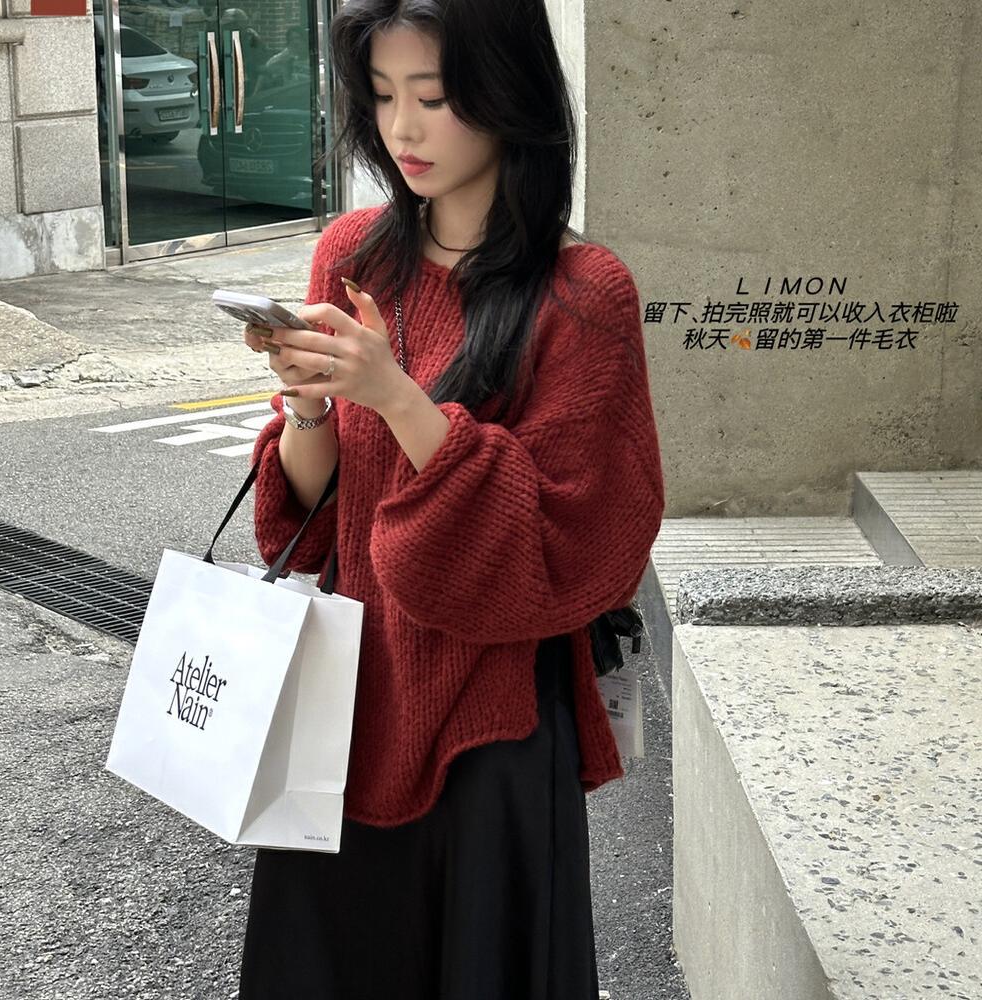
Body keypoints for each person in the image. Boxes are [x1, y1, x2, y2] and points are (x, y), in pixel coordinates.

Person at [237, 0, 666, 996]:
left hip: (492, 723)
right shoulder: (353, 255)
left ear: (508, 94)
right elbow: (317, 525)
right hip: (343, 707)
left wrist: (395, 394)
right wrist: (310, 404)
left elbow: (574, 542)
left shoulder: (583, 292)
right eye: (383, 95)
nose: (403, 129)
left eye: (432, 97)